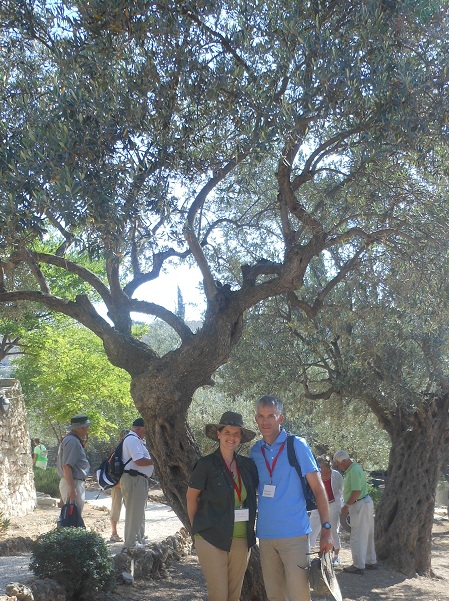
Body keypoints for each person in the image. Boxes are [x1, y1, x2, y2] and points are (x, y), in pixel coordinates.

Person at [250, 395, 333, 601]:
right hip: (266, 537)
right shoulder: (255, 451)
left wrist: (327, 530)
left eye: (271, 415)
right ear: (256, 419)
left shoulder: (296, 445)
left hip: (294, 535)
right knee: (275, 597)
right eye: (261, 416)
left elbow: (318, 488)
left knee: (299, 597)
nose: (265, 421)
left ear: (281, 418)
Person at [186, 411, 259, 601]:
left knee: (233, 596)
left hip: (242, 540)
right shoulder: (205, 464)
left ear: (241, 438)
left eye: (236, 434)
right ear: (219, 434)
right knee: (219, 595)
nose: (231, 437)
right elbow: (191, 498)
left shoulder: (248, 466)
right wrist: (196, 530)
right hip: (211, 537)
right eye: (227, 432)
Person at [333, 450, 377, 575]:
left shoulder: (353, 471)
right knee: (368, 533)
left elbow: (356, 491)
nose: (339, 467)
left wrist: (346, 506)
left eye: (339, 464)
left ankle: (358, 565)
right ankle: (370, 561)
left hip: (359, 504)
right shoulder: (356, 468)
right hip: (365, 502)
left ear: (344, 461)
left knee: (357, 535)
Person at [120, 417, 154, 548]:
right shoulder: (132, 440)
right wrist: (156, 459)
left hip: (138, 479)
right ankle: (131, 544)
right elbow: (139, 460)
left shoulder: (136, 440)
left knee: (138, 512)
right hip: (134, 479)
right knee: (134, 512)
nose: (147, 432)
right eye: (146, 429)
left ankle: (138, 541)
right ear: (139, 428)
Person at [308, 455, 344, 566]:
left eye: (321, 466)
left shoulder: (336, 475)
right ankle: (307, 555)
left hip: (333, 506)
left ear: (327, 466)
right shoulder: (315, 475)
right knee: (311, 530)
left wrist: (343, 506)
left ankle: (336, 557)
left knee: (332, 531)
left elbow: (342, 491)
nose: (319, 469)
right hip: (317, 506)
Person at [57, 414, 91, 515]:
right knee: (72, 518)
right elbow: (66, 466)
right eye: (87, 426)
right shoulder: (72, 441)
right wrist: (72, 489)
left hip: (73, 482)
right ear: (81, 428)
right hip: (73, 483)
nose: (88, 429)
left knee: (73, 517)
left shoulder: (72, 440)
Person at [109, 429, 129, 542]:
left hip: (124, 485)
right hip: (117, 485)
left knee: (130, 509)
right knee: (115, 509)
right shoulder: (116, 453)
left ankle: (132, 533)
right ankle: (114, 533)